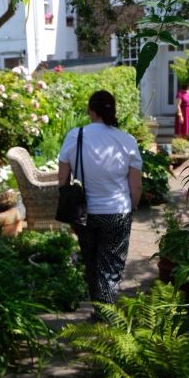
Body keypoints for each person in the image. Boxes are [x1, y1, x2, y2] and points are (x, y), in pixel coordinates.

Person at [58, 90, 142, 308]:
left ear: (90, 110)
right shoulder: (127, 141)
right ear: (112, 111)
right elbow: (136, 184)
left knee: (92, 263)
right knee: (111, 265)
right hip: (118, 211)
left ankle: (99, 306)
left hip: (85, 213)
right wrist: (132, 206)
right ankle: (104, 312)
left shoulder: (75, 136)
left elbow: (62, 178)